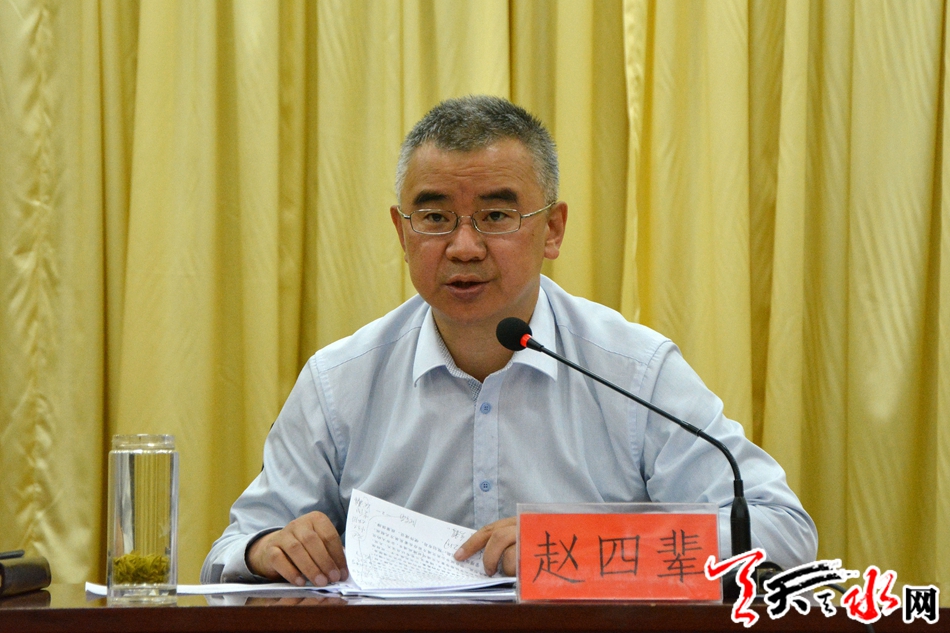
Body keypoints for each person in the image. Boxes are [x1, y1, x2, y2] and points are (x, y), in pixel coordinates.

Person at [201, 95, 818, 586]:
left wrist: (580, 546)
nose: (463, 246)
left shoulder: (632, 371)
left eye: (496, 216)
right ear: (402, 231)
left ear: (553, 230)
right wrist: (266, 549)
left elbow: (781, 531)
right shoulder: (340, 381)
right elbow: (229, 552)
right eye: (435, 217)